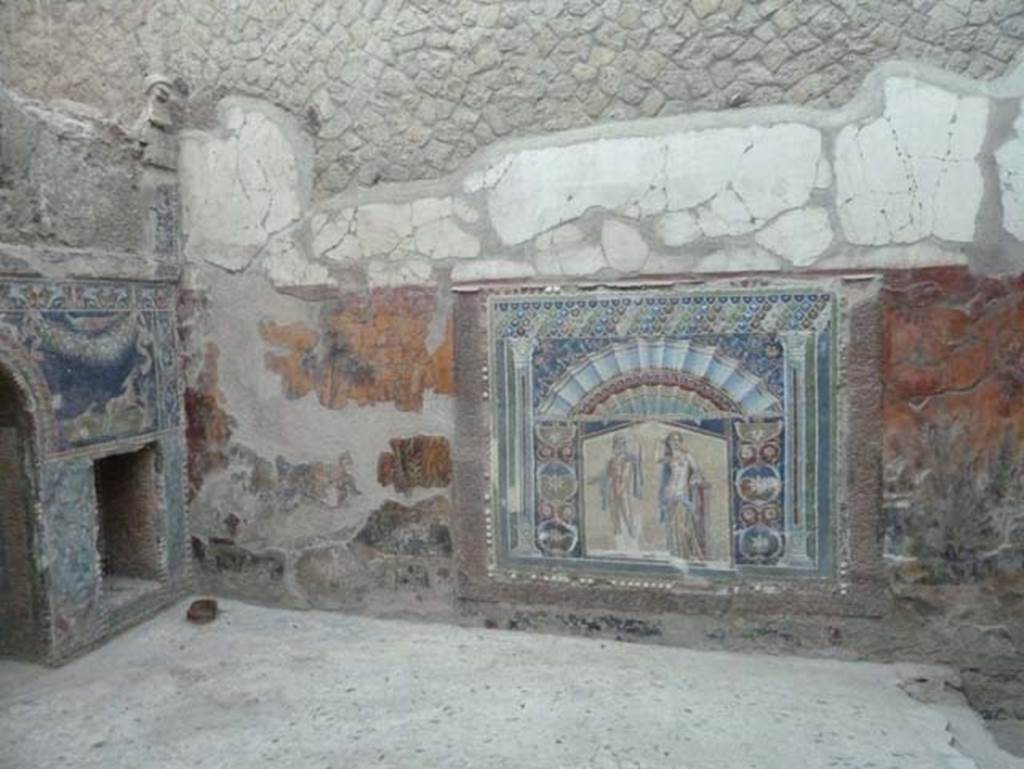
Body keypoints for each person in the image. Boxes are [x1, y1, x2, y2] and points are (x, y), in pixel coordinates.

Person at [658, 431, 708, 561]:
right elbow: (658, 463)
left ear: (681, 442)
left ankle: (687, 553)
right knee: (672, 525)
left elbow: (697, 471)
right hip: (670, 494)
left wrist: (694, 480)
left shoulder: (687, 457)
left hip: (683, 494)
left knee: (684, 524)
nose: (675, 442)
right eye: (672, 440)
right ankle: (677, 552)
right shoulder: (667, 458)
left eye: (677, 440)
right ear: (668, 443)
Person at [600, 434, 642, 538]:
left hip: (623, 486)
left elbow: (626, 475)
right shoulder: (611, 461)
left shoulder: (627, 459)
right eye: (617, 444)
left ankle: (631, 530)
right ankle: (617, 532)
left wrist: (621, 486)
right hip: (612, 486)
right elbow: (608, 475)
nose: (619, 446)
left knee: (626, 510)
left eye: (621, 444)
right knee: (614, 510)